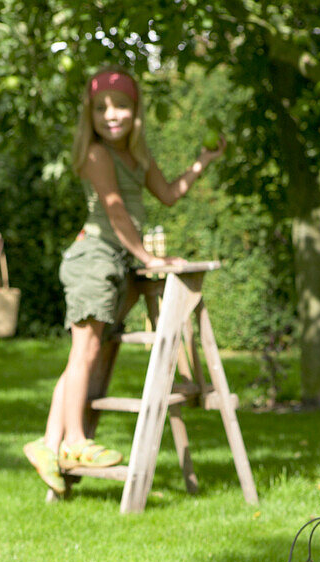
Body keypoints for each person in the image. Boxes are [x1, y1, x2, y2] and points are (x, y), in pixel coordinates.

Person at [24, 67, 226, 494]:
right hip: (94, 258)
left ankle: (46, 444)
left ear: (135, 111)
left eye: (119, 105)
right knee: (86, 351)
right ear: (90, 114)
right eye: (100, 107)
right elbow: (115, 211)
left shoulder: (139, 155)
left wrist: (202, 162)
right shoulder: (97, 154)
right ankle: (74, 442)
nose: (110, 114)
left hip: (117, 262)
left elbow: (169, 194)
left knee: (85, 352)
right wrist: (148, 256)